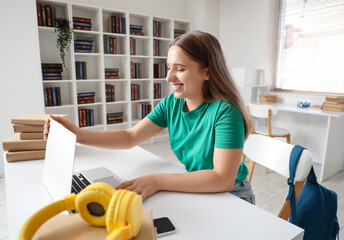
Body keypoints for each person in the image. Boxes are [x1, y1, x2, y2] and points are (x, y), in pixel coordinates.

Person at [44, 31, 255, 204]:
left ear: (207, 73)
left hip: (233, 196)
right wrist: (77, 134)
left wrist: (157, 180)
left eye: (180, 69)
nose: (169, 77)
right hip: (202, 188)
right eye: (169, 67)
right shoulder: (172, 103)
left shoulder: (225, 112)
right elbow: (130, 136)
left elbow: (222, 179)